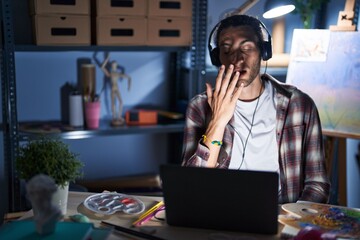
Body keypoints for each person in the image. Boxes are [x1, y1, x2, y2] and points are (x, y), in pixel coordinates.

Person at [181, 14, 330, 204]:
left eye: (247, 47)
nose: (237, 58)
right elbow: (191, 186)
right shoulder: (199, 107)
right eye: (226, 49)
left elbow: (317, 184)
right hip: (221, 213)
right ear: (217, 58)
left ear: (264, 52)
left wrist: (291, 223)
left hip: (281, 218)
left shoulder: (299, 105)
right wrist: (218, 122)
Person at [98, 53, 131, 126]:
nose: (114, 66)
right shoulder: (110, 74)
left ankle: (119, 116)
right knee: (113, 104)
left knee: (121, 102)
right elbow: (102, 67)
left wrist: (129, 86)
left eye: (115, 65)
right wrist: (106, 60)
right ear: (111, 66)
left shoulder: (117, 74)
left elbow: (129, 77)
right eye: (113, 65)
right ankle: (114, 117)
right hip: (112, 89)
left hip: (117, 89)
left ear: (116, 66)